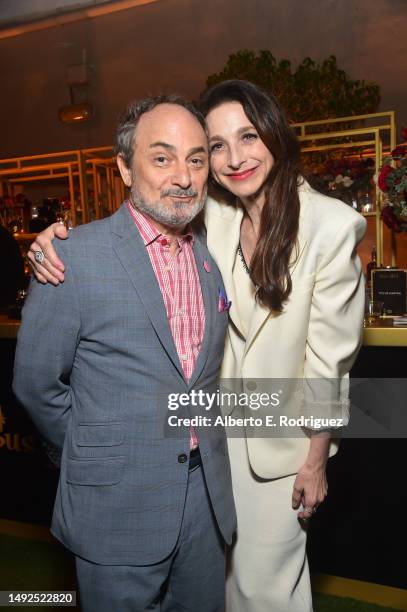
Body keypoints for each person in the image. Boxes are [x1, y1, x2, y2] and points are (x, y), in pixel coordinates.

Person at [27, 80, 366, 612]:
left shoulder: (331, 227)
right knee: (222, 591)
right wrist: (52, 240)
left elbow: (330, 364)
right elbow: (141, 215)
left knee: (266, 589)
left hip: (280, 447)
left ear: (274, 134)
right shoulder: (215, 214)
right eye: (216, 146)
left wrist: (316, 459)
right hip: (207, 447)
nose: (233, 159)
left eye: (249, 136)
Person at [13, 95, 236, 612]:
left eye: (196, 159)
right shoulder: (70, 256)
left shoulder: (208, 261)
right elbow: (36, 385)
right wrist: (100, 446)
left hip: (204, 502)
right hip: (115, 503)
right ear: (124, 170)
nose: (182, 175)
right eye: (162, 158)